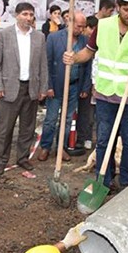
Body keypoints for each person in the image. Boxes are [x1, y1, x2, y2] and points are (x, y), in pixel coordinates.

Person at [63, 0, 128, 189]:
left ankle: (126, 183)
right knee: (104, 141)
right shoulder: (102, 27)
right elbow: (88, 52)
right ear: (117, 5)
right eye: (126, 9)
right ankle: (103, 181)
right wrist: (74, 58)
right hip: (105, 95)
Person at [0, 2, 48, 175]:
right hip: (9, 89)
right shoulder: (4, 35)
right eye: (25, 14)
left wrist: (43, 88)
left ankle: (23, 158)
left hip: (31, 88)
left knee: (27, 128)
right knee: (5, 129)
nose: (29, 18)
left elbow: (43, 65)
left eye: (31, 15)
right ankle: (0, 161)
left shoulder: (39, 37)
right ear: (17, 15)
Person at [38, 11, 91, 162]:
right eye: (79, 26)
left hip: (74, 86)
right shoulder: (54, 38)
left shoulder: (84, 41)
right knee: (51, 119)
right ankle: (45, 147)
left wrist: (85, 87)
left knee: (67, 119)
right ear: (70, 22)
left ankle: (61, 147)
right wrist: (48, 86)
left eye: (83, 27)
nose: (81, 29)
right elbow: (46, 63)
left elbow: (87, 66)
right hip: (56, 86)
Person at [75, 15, 99, 150]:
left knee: (88, 114)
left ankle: (87, 137)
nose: (84, 30)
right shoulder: (83, 43)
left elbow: (92, 65)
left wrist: (90, 85)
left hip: (91, 84)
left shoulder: (92, 42)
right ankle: (77, 138)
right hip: (79, 83)